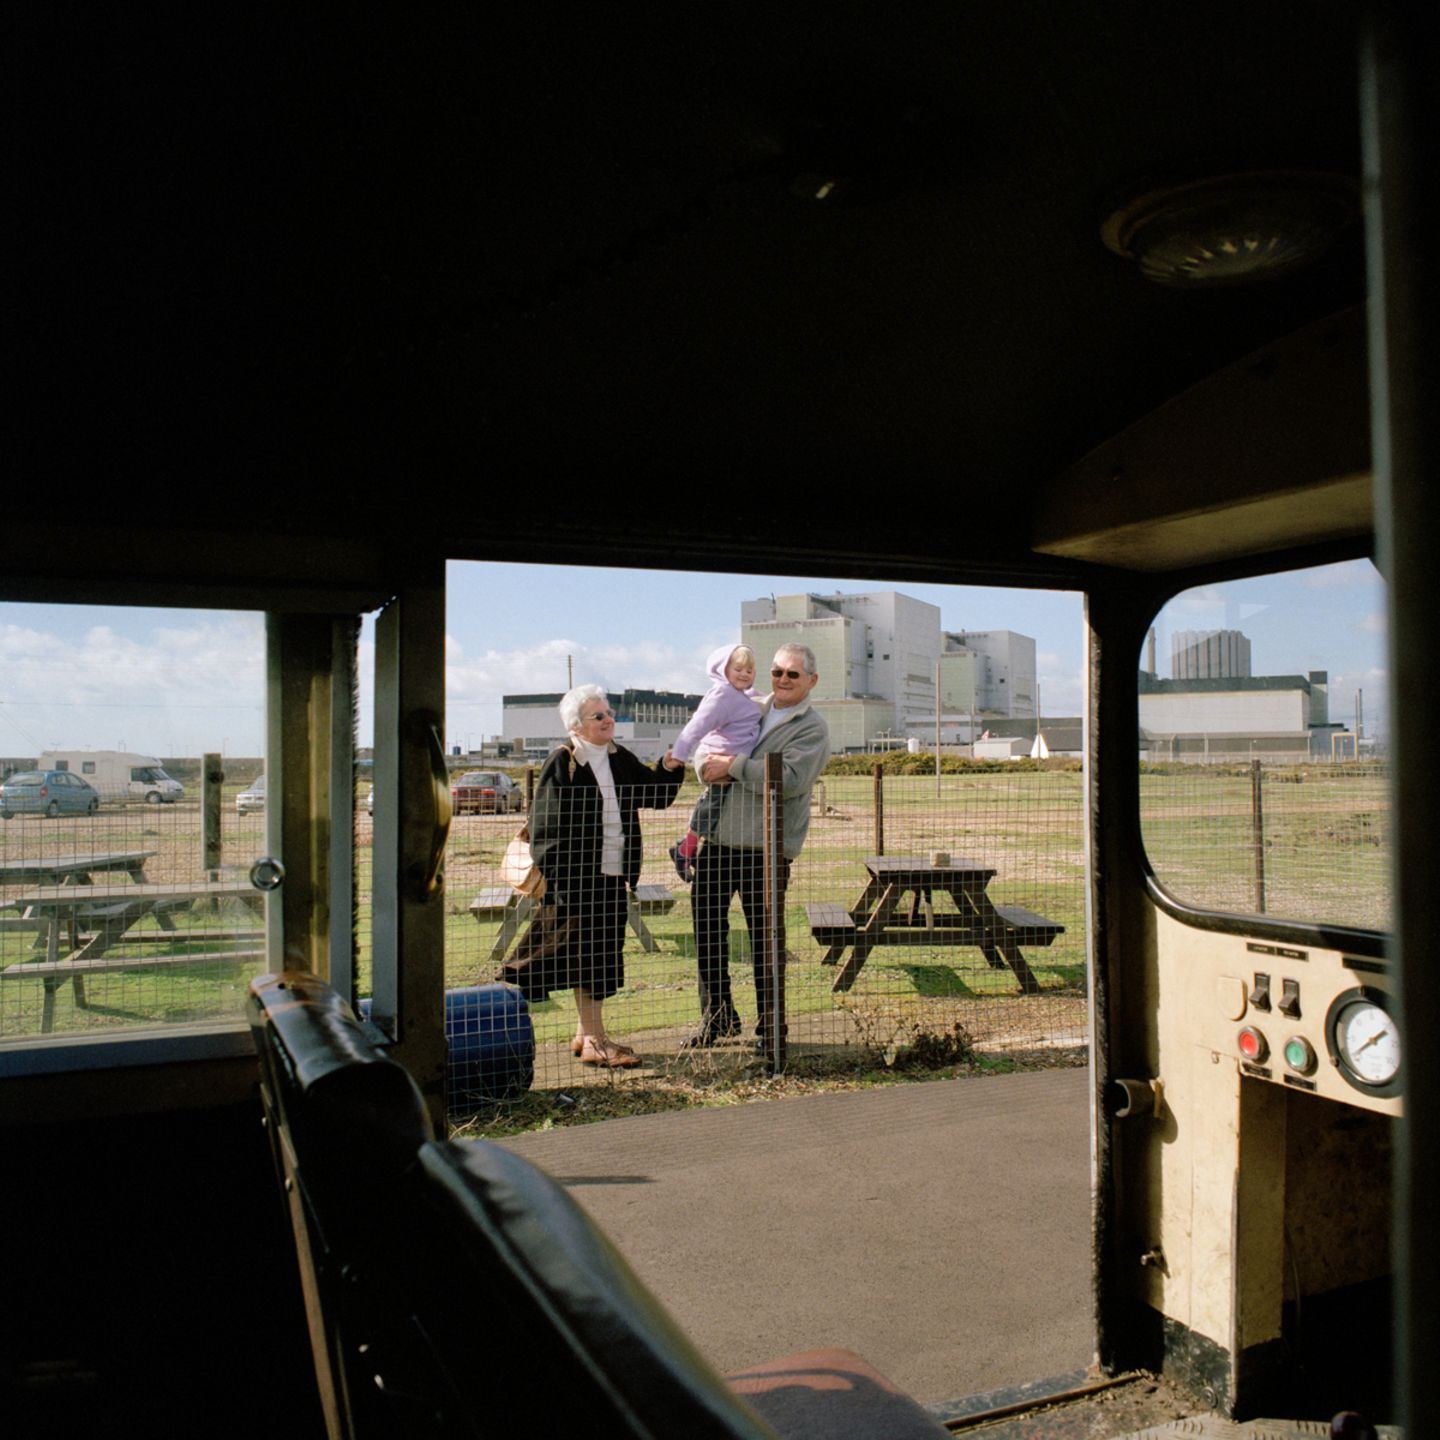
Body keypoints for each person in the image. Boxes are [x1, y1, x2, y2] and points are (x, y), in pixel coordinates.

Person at [506, 684, 684, 1068]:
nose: (608, 720)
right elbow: (545, 830)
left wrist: (670, 766)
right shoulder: (563, 762)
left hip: (612, 877)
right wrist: (564, 882)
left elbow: (654, 793)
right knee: (589, 960)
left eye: (608, 713)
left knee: (597, 959)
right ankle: (595, 1041)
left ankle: (583, 1034)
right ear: (576, 726)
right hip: (579, 882)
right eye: (598, 716)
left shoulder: (618, 756)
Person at [683, 643, 831, 1050]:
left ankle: (772, 1030)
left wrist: (731, 767)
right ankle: (717, 1019)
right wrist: (706, 766)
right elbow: (704, 743)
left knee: (766, 941)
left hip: (766, 851)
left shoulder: (812, 727)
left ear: (811, 681)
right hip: (716, 844)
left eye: (792, 675)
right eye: (777, 672)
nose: (782, 680)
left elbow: (791, 780)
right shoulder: (746, 704)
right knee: (708, 935)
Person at [667, 643, 761, 882]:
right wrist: (680, 753)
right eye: (738, 668)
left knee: (718, 807)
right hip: (717, 758)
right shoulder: (723, 694)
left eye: (749, 670)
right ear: (723, 669)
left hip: (731, 763)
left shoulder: (741, 695)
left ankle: (690, 848)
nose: (744, 674)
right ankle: (684, 849)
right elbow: (698, 724)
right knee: (712, 804)